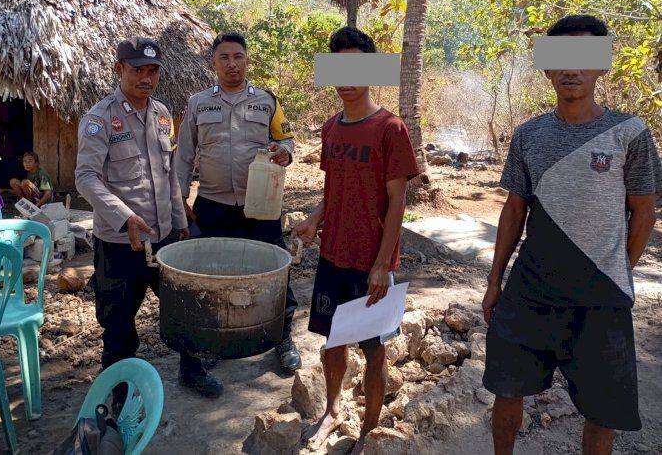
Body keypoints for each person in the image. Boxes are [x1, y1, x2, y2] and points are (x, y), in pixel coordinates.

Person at [481, 15, 661, 455]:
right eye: (560, 59)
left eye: (583, 58)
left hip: (601, 301)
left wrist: (613, 268)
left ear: (602, 66)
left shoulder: (631, 134)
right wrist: (494, 280)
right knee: (507, 391)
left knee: (602, 413)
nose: (571, 70)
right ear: (546, 68)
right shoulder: (528, 135)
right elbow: (515, 208)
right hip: (530, 292)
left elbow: (643, 214)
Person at [76, 37, 227, 404]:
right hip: (120, 244)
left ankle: (192, 370)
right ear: (119, 70)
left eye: (152, 71)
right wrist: (124, 216)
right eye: (137, 70)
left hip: (163, 240)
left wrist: (181, 220)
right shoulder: (99, 120)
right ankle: (119, 398)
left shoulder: (161, 114)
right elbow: (86, 177)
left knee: (183, 309)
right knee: (118, 326)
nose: (146, 78)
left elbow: (168, 173)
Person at [292, 27, 419, 454]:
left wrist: (383, 263)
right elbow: (334, 190)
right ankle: (331, 411)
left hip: (372, 262)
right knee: (332, 343)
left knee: (375, 351)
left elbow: (397, 200)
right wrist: (313, 219)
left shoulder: (390, 128)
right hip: (332, 255)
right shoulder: (331, 128)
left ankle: (368, 430)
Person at [175, 31, 302, 380]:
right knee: (214, 276)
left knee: (276, 271)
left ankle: (282, 338)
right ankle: (214, 342)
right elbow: (184, 154)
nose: (232, 64)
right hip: (213, 204)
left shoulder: (267, 101)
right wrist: (180, 198)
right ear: (213, 63)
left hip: (261, 204)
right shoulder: (198, 103)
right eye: (224, 58)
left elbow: (287, 137)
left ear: (247, 60)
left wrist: (285, 151)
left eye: (238, 57)